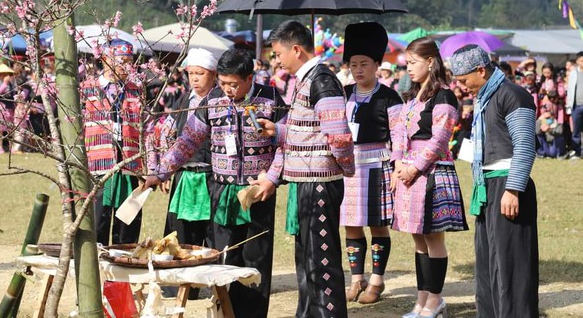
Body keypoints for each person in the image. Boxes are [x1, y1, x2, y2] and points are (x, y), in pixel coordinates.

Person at [145, 48, 287, 318]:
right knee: (224, 257)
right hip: (221, 190)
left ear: (249, 78)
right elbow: (187, 141)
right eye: (222, 83)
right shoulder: (213, 100)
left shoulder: (270, 98)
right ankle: (225, 313)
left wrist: (272, 178)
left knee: (256, 259)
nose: (227, 90)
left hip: (258, 191)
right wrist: (161, 172)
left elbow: (286, 143)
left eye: (233, 84)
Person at [257, 20, 355, 318]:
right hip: (309, 180)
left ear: (296, 49)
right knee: (307, 256)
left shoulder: (322, 80)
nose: (277, 60)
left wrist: (344, 168)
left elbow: (338, 134)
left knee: (321, 259)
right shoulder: (307, 79)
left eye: (278, 53)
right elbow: (307, 131)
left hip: (321, 182)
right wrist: (279, 131)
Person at [451, 44, 539, 318]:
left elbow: (525, 145)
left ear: (481, 70)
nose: (463, 87)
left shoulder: (513, 95)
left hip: (508, 185)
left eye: (465, 80)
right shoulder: (484, 99)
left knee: (512, 263)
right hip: (486, 185)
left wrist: (513, 189)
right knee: (488, 264)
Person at [390, 37, 468, 318]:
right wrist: (398, 163)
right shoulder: (412, 96)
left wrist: (414, 168)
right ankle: (422, 298)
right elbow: (398, 131)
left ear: (430, 62)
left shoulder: (444, 95)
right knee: (418, 238)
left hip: (432, 173)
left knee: (434, 238)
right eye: (407, 63)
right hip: (408, 171)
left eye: (413, 63)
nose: (408, 68)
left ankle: (435, 299)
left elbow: (440, 139)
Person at [340, 23, 402, 305]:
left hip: (378, 166)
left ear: (378, 64)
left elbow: (399, 137)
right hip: (348, 168)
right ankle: (356, 279)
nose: (358, 69)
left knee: (377, 225)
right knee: (350, 224)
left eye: (364, 64)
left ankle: (376, 280)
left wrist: (397, 168)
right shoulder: (343, 93)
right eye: (353, 64)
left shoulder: (389, 97)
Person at [150, 48, 218, 299]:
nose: (195, 79)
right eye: (191, 74)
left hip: (212, 176)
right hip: (183, 176)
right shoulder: (182, 100)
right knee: (178, 232)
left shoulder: (219, 100)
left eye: (200, 74)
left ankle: (212, 284)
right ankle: (178, 285)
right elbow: (164, 132)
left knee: (210, 232)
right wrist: (163, 171)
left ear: (213, 74)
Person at [82, 39, 146, 245]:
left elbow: (147, 129)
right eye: (121, 61)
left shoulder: (135, 90)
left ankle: (123, 268)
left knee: (128, 221)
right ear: (106, 59)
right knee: (97, 219)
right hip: (98, 165)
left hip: (129, 165)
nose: (126, 66)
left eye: (130, 61)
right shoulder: (87, 89)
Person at [565, 51, 583, 160]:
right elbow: (570, 90)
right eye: (582, 60)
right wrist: (569, 105)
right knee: (576, 130)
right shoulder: (573, 73)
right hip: (576, 106)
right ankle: (576, 152)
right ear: (577, 61)